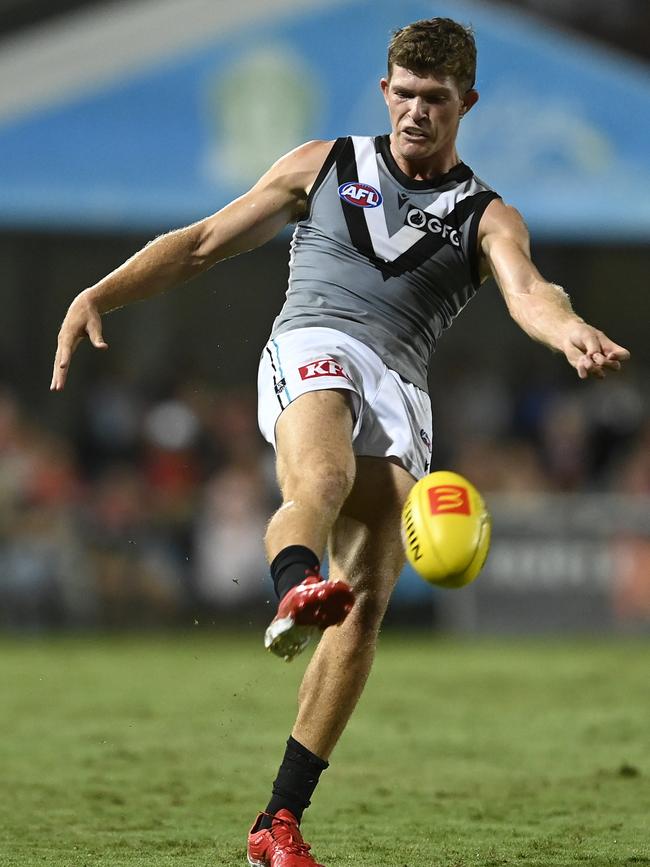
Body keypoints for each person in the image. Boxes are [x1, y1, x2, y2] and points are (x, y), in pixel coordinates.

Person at [51, 17, 630, 867]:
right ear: (384, 91)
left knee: (366, 604)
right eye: (403, 93)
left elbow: (530, 290)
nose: (416, 111)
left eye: (435, 98)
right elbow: (204, 241)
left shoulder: (486, 214)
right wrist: (101, 291)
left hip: (402, 393)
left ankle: (276, 822)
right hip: (313, 344)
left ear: (467, 102)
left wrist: (570, 329)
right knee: (316, 478)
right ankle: (294, 585)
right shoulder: (324, 165)